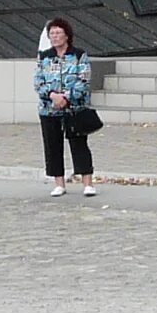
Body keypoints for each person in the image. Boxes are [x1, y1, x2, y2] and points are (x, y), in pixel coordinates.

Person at [36, 16, 98, 197]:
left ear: (67, 36)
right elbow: (38, 81)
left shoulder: (79, 55)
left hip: (74, 108)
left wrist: (67, 97)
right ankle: (59, 183)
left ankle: (87, 182)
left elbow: (84, 80)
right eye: (52, 34)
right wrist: (52, 95)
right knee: (52, 145)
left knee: (79, 144)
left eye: (58, 33)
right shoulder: (45, 57)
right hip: (49, 109)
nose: (55, 37)